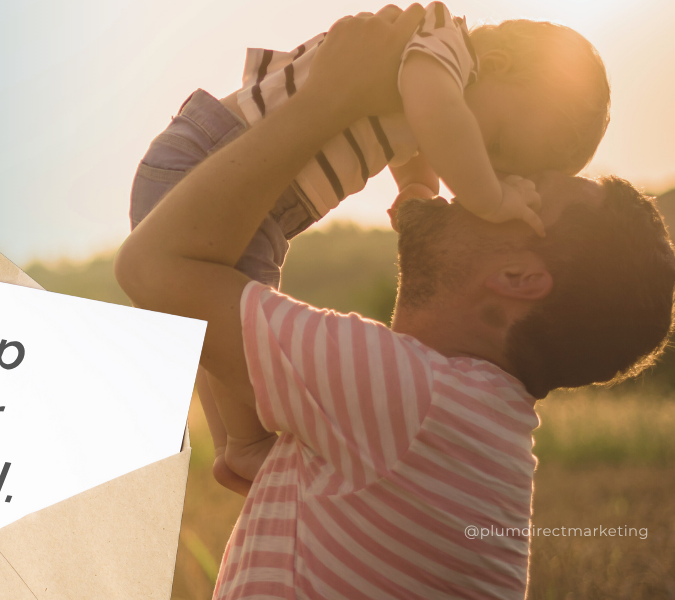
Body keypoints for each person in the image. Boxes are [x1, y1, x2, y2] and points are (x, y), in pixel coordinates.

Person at [116, 4, 675, 598]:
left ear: (518, 275)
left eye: (520, 187)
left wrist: (328, 100)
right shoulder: (470, 427)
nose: (481, 178)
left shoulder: (415, 401)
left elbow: (150, 269)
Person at [130, 1, 610, 490]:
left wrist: (417, 190)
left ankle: (239, 441)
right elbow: (436, 114)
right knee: (238, 295)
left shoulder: (437, 70)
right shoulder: (444, 47)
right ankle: (246, 444)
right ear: (502, 65)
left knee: (224, 312)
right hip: (210, 159)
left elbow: (420, 131)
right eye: (500, 145)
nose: (481, 159)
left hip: (234, 183)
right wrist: (490, 195)